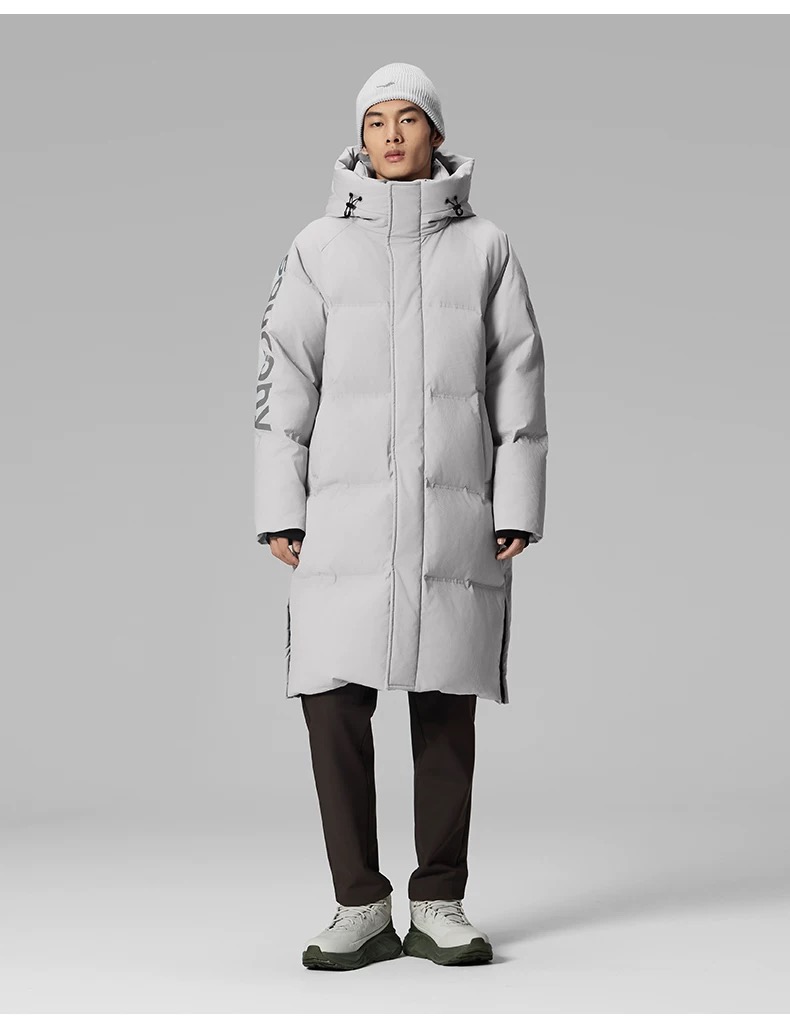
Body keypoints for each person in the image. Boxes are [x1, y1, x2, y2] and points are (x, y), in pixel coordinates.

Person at [254, 62, 549, 971]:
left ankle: (438, 902)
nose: (390, 133)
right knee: (331, 704)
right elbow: (283, 377)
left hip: (453, 512)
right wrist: (280, 502)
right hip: (342, 518)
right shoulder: (318, 247)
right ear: (359, 138)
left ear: (435, 135)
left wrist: (518, 500)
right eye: (376, 120)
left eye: (408, 118)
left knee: (446, 705)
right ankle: (359, 904)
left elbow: (519, 378)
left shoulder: (487, 247)